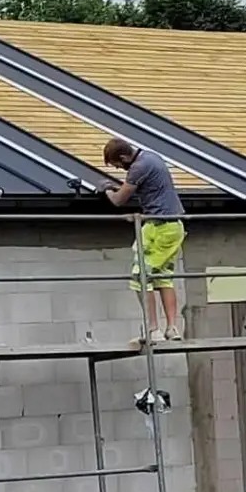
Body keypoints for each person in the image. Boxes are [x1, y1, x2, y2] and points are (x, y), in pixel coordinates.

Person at [103, 137, 186, 342]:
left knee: (140, 276)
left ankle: (153, 330)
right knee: (163, 276)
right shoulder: (151, 157)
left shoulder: (138, 168)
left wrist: (106, 189)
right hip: (173, 225)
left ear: (123, 157)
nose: (120, 169)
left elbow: (119, 200)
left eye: (118, 165)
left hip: (159, 227)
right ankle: (172, 329)